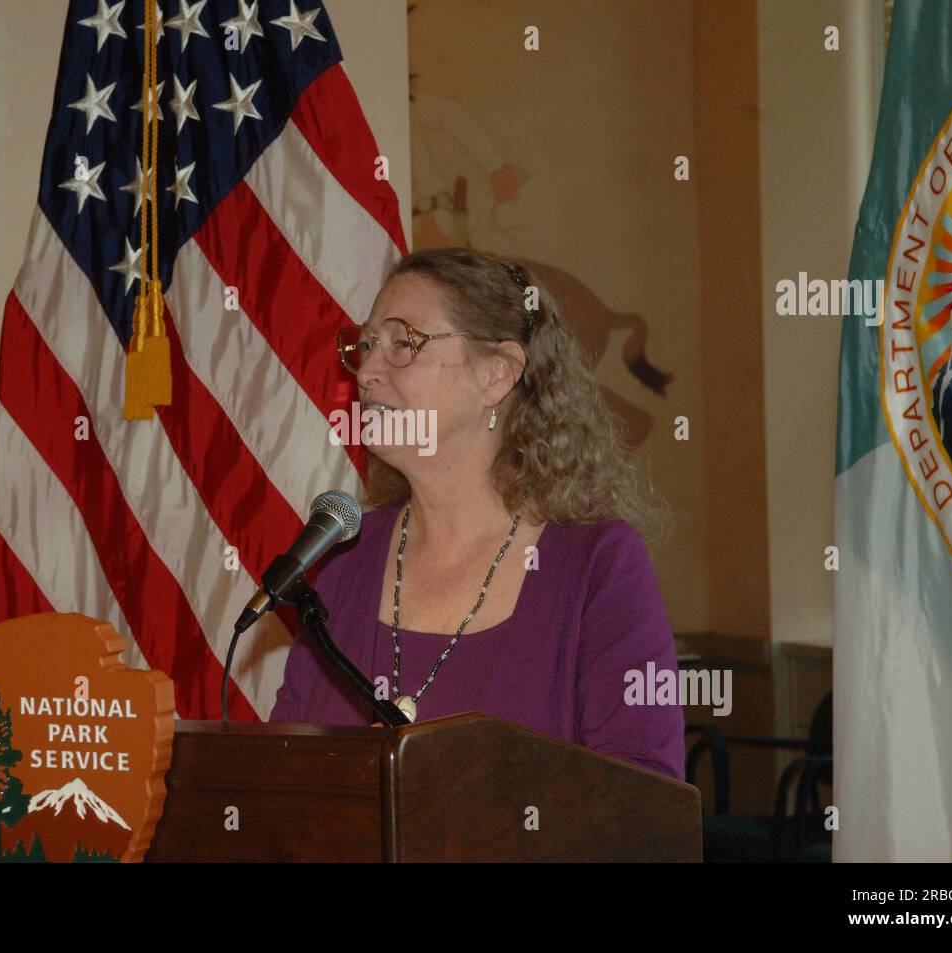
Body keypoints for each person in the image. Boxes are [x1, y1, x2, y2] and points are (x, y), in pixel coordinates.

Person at [269, 247, 684, 781]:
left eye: (403, 343)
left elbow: (642, 804)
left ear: (497, 374)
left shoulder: (597, 564)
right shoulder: (345, 557)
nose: (366, 371)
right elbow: (284, 775)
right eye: (366, 344)